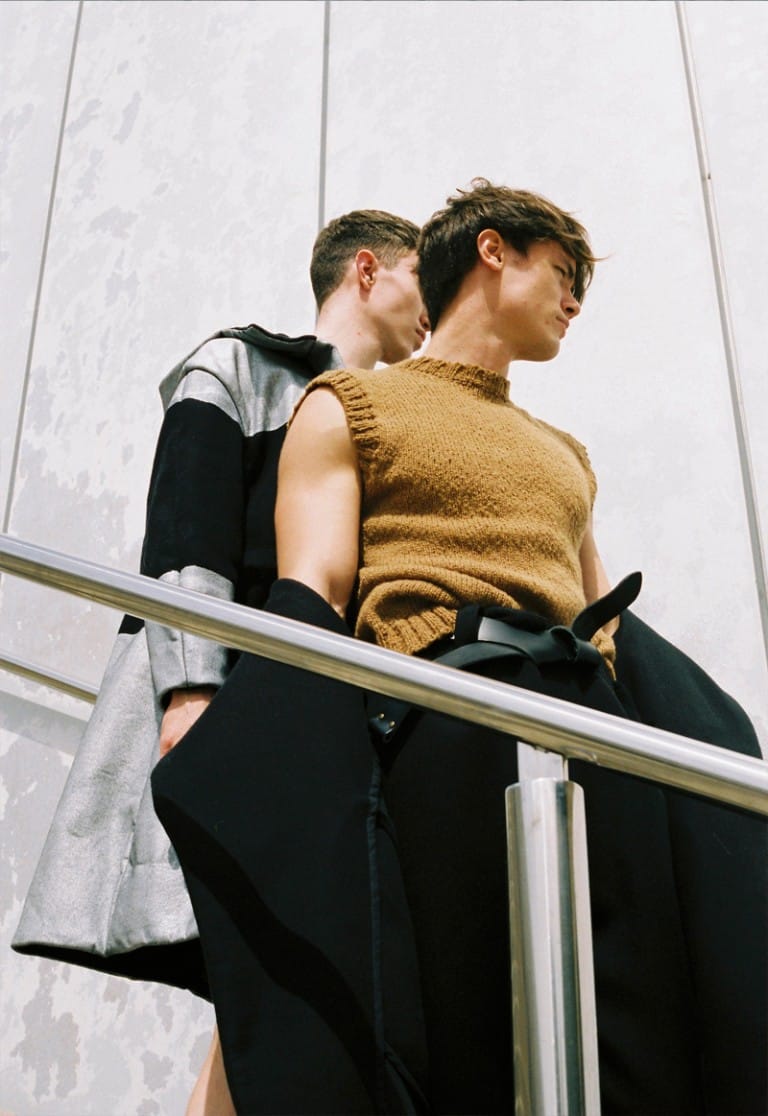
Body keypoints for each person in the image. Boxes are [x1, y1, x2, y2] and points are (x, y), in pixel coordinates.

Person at [152, 180, 767, 1114]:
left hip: (594, 733)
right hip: (443, 714)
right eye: (564, 272)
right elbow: (312, 595)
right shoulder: (348, 402)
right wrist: (216, 723)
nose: (574, 300)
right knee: (465, 1033)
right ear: (492, 250)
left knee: (634, 1041)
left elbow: (600, 617)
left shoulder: (564, 452)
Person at [13, 208, 429, 1115]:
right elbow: (187, 536)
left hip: (345, 717)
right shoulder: (239, 367)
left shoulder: (404, 417)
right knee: (264, 968)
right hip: (248, 697)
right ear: (366, 270)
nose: (432, 306)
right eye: (419, 277)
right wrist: (193, 690)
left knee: (285, 981)